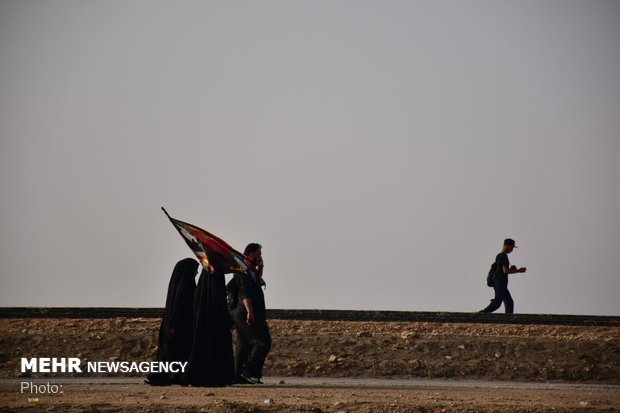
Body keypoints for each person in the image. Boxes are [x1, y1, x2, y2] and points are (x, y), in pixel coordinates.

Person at [146, 258, 198, 386]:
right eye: (195, 270)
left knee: (171, 352)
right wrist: (174, 325)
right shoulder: (187, 286)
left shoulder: (177, 286)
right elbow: (180, 306)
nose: (196, 273)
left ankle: (167, 376)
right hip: (180, 325)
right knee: (177, 352)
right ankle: (172, 376)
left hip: (175, 324)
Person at [184, 257, 235, 387]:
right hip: (218, 327)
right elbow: (221, 305)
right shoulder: (216, 284)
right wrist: (229, 321)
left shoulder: (200, 292)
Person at [230, 243, 271, 384]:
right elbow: (245, 293)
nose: (261, 257)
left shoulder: (251, 269)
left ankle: (238, 376)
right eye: (259, 254)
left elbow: (256, 282)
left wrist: (261, 268)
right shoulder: (242, 269)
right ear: (252, 254)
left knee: (243, 345)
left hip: (244, 312)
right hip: (245, 311)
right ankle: (248, 372)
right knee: (263, 342)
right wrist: (250, 312)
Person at [480, 238, 526, 313]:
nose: (512, 249)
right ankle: (483, 313)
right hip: (500, 282)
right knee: (498, 302)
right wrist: (519, 270)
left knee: (509, 302)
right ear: (506, 246)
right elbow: (506, 270)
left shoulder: (500, 256)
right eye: (512, 247)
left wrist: (514, 269)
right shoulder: (503, 255)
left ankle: (509, 318)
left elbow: (503, 270)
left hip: (500, 283)